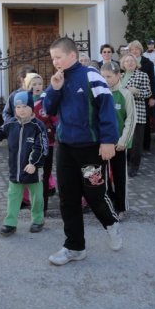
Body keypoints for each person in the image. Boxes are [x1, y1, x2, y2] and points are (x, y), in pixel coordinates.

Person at [43, 37, 121, 266]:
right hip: (65, 148)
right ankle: (74, 247)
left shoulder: (90, 75)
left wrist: (108, 140)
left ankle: (112, 224)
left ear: (72, 55)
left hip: (90, 149)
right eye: (53, 58)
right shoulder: (58, 79)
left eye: (58, 57)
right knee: (67, 198)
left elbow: (106, 106)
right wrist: (55, 89)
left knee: (94, 194)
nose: (55, 62)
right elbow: (48, 110)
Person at [0, 90, 48, 236]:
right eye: (18, 107)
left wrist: (33, 163)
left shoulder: (38, 126)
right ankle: (10, 223)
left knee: (36, 197)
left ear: (31, 107)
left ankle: (38, 220)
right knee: (13, 196)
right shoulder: (10, 124)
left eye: (24, 106)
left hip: (33, 170)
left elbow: (41, 147)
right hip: (15, 169)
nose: (21, 110)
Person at [100, 62, 136, 217]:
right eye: (103, 77)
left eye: (109, 76)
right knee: (103, 177)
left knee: (119, 177)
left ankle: (121, 207)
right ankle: (109, 205)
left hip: (118, 144)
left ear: (118, 76)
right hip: (102, 144)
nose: (106, 80)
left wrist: (123, 141)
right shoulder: (99, 93)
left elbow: (131, 119)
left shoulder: (125, 94)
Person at [24, 72, 58, 215]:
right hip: (29, 145)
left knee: (44, 175)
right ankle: (31, 201)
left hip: (47, 145)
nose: (37, 87)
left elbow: (55, 120)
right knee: (31, 175)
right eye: (34, 84)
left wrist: (56, 132)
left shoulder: (46, 101)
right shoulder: (24, 102)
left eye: (39, 84)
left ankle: (43, 207)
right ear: (27, 86)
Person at [120, 54, 151, 176]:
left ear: (136, 63)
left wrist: (137, 91)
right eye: (127, 61)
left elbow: (148, 93)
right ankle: (126, 163)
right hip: (122, 114)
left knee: (136, 142)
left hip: (137, 113)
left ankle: (134, 166)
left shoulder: (142, 75)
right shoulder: (120, 76)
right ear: (123, 64)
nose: (130, 63)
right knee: (124, 140)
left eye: (132, 61)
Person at [127, 40, 155, 152]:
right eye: (132, 49)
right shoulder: (126, 62)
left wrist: (152, 97)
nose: (135, 51)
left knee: (145, 121)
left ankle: (145, 145)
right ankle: (133, 145)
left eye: (137, 49)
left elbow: (152, 81)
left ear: (141, 50)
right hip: (130, 99)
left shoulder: (148, 63)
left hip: (144, 97)